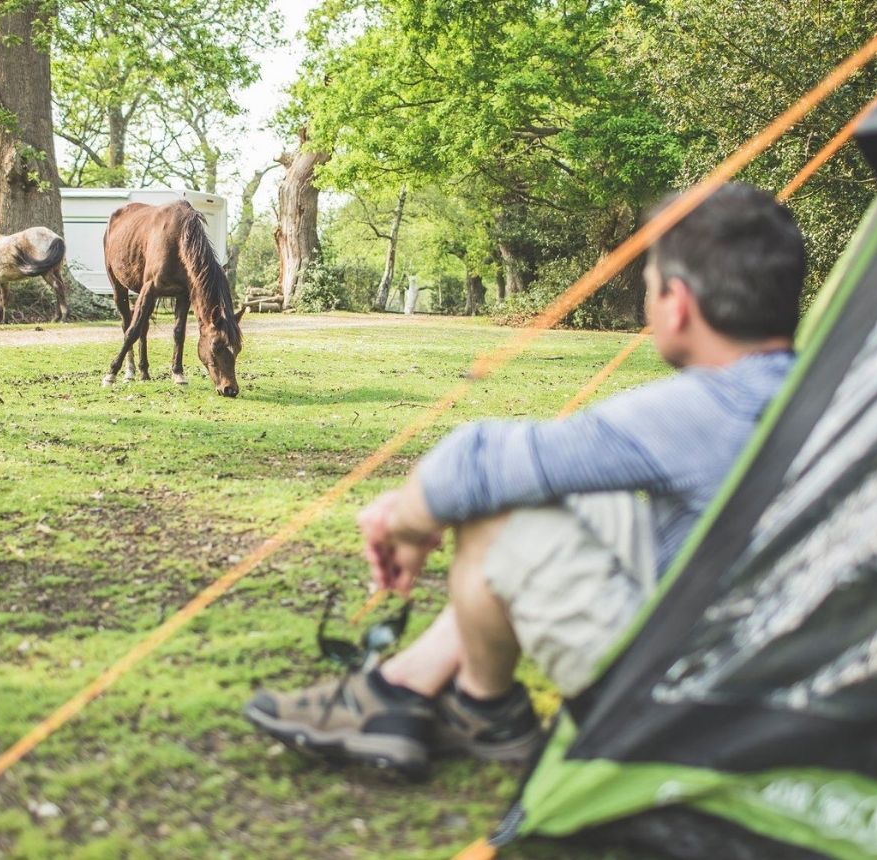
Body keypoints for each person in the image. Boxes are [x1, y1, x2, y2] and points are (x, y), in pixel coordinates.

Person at [245, 182, 807, 775]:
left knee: (497, 509)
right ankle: (418, 691)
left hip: (693, 698)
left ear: (678, 302)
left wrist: (401, 519)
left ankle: (472, 706)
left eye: (648, 286)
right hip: (772, 660)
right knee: (562, 489)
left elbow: (476, 463)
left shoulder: (709, 409)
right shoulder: (829, 388)